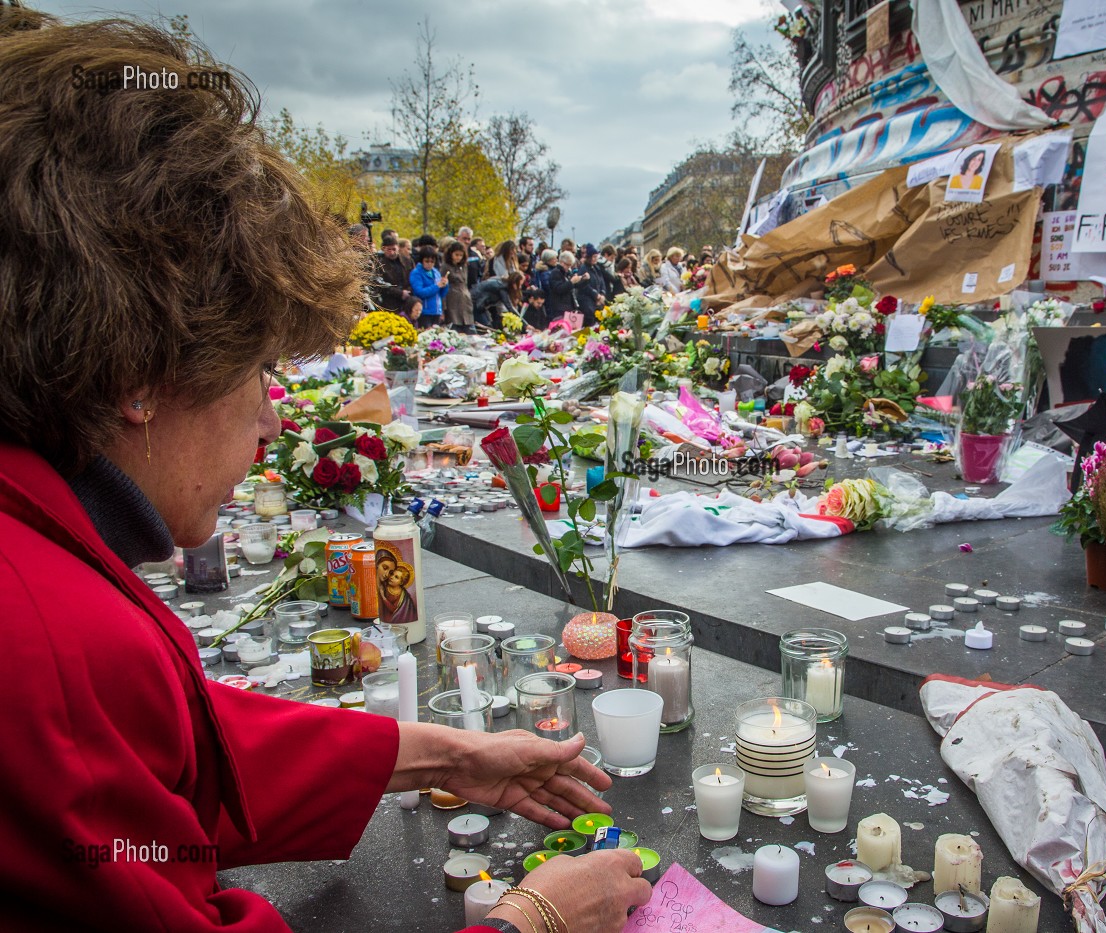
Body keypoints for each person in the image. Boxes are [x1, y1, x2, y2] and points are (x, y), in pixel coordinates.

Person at [0, 9, 650, 933]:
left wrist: (438, 756)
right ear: (140, 372)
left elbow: (177, 754)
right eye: (256, 367)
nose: (273, 417)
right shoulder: (46, 642)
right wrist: (532, 919)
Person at [409, 245, 448, 329]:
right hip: (424, 312)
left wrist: (445, 285)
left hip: (436, 311)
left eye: (432, 261)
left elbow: (441, 294)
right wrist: (436, 286)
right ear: (422, 260)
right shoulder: (416, 273)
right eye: (427, 261)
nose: (429, 264)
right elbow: (420, 292)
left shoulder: (436, 272)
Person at [372, 233, 411, 314]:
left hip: (407, 298)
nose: (392, 252)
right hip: (389, 302)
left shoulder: (407, 261)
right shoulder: (380, 264)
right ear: (383, 249)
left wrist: (407, 291)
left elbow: (413, 278)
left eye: (394, 249)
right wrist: (399, 293)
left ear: (398, 248)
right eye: (389, 250)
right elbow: (380, 284)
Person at [441, 240, 475, 334]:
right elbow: (442, 286)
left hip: (465, 300)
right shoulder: (445, 266)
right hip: (452, 300)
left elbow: (465, 282)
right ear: (451, 254)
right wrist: (443, 308)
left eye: (461, 255)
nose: (458, 257)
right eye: (456, 255)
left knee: (469, 330)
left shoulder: (464, 266)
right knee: (455, 329)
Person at [574, 245, 608, 327]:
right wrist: (596, 295)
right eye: (594, 257)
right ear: (589, 257)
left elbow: (602, 281)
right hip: (587, 301)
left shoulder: (597, 268)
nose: (595, 258)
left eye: (596, 256)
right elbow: (584, 285)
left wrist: (602, 294)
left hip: (598, 300)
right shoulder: (583, 268)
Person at [547, 250, 581, 324]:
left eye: (570, 265)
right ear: (562, 262)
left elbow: (575, 286)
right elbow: (559, 289)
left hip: (570, 307)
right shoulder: (555, 273)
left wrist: (583, 280)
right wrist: (571, 282)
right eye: (567, 265)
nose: (569, 268)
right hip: (559, 309)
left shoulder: (567, 273)